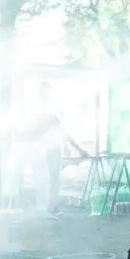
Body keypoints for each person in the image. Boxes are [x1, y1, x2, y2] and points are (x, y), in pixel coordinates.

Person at [21, 81, 89, 216]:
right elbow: (62, 133)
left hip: (49, 150)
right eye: (44, 91)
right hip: (44, 151)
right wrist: (78, 149)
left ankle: (50, 208)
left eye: (47, 91)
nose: (46, 94)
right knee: (49, 180)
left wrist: (70, 147)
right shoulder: (41, 111)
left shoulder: (47, 110)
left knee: (52, 180)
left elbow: (60, 133)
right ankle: (48, 208)